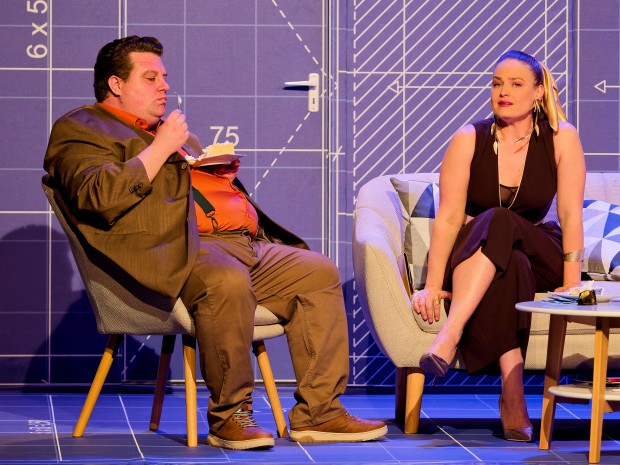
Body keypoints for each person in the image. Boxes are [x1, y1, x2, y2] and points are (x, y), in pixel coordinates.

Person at [44, 35, 387, 450]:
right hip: (171, 249)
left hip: (239, 243)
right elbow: (95, 197)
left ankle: (320, 412)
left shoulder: (172, 135)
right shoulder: (82, 128)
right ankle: (230, 416)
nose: (164, 86)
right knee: (225, 280)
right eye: (150, 78)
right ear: (116, 84)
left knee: (316, 271)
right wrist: (161, 148)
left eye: (164, 77)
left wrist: (215, 175)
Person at [412, 50, 585, 442]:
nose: (503, 92)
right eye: (496, 83)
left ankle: (449, 335)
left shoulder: (562, 137)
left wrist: (572, 282)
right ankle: (513, 392)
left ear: (538, 92)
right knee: (511, 262)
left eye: (515, 84)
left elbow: (571, 215)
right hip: (480, 255)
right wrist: (432, 284)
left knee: (501, 220)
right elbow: (449, 219)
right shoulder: (468, 139)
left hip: (542, 251)